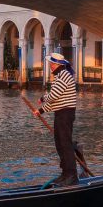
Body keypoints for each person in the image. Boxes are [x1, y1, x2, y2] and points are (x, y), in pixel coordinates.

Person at [33, 52, 78, 186]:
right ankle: (65, 173)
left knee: (65, 144)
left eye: (52, 64)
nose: (50, 66)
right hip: (61, 113)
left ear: (57, 64)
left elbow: (54, 96)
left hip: (65, 114)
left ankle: (71, 175)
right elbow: (56, 101)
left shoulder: (64, 76)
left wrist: (42, 100)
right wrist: (41, 110)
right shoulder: (60, 76)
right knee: (60, 144)